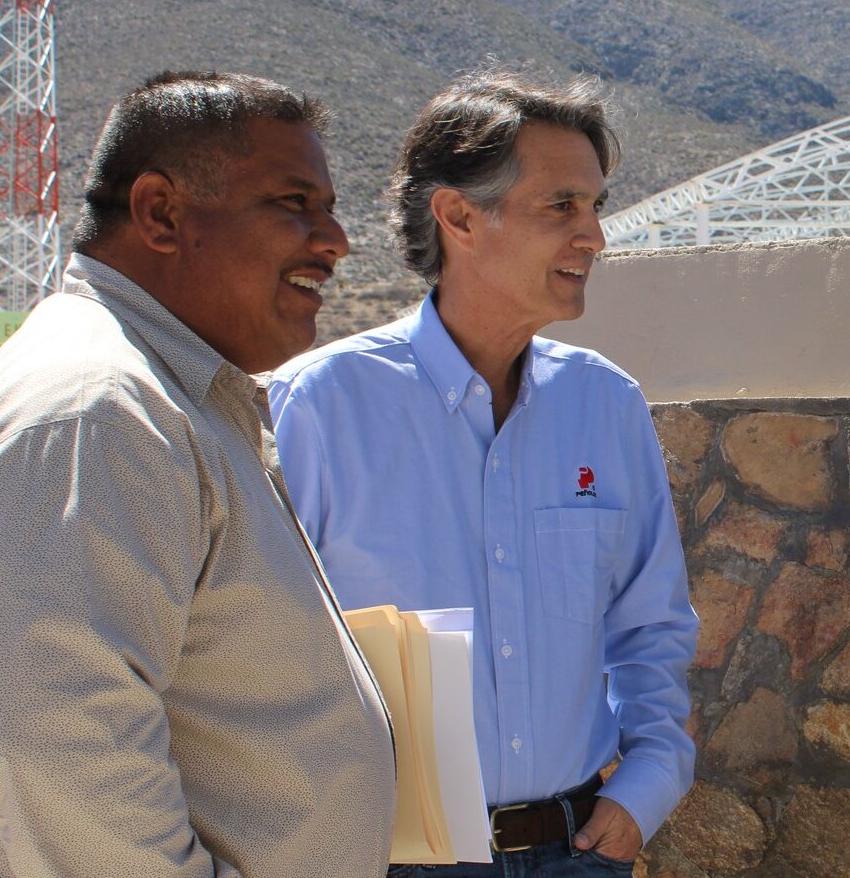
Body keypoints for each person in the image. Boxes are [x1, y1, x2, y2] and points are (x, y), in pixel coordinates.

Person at [0, 72, 396, 878]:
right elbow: (59, 745)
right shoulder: (95, 412)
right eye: (294, 203)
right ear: (160, 213)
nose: (334, 241)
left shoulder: (166, 395)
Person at [270, 70, 696, 877]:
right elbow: (262, 651)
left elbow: (651, 626)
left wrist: (648, 784)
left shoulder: (605, 404)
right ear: (460, 216)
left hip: (580, 849)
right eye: (561, 206)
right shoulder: (320, 407)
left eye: (595, 207)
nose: (594, 237)